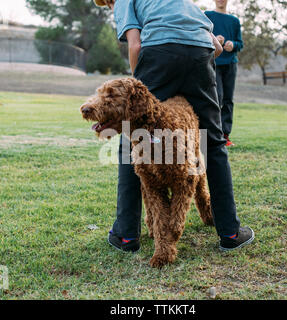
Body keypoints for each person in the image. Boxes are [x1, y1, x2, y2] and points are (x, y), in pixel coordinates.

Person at [93, 0, 254, 253]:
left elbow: (135, 44)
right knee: (213, 141)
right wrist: (191, 67)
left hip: (159, 53)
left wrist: (139, 87)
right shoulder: (183, 3)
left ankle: (125, 235)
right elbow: (216, 47)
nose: (111, 6)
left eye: (108, 3)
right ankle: (230, 232)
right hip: (200, 53)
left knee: (133, 137)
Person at [205, 0, 243, 147]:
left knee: (228, 100)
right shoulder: (207, 16)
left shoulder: (234, 21)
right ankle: (213, 134)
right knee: (216, 98)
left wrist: (233, 44)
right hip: (213, 63)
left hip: (230, 65)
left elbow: (240, 43)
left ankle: (225, 135)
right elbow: (201, 34)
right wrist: (214, 39)